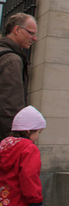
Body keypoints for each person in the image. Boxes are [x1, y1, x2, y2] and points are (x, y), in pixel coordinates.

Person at [0, 106, 46, 206]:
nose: (38, 136)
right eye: (38, 132)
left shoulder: (4, 144)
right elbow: (29, 177)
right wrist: (35, 201)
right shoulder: (29, 148)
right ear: (29, 131)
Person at [0, 13, 38, 141]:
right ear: (17, 30)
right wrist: (14, 140)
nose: (34, 38)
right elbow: (10, 106)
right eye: (31, 33)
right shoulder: (12, 60)